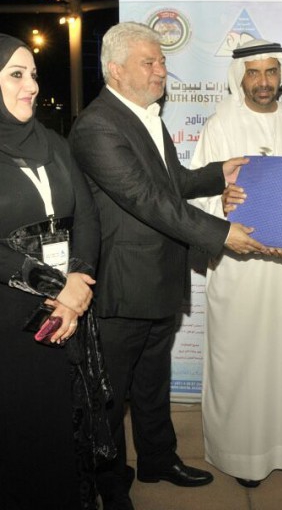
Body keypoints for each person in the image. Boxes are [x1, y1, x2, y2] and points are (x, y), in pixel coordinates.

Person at [69, 22, 268, 510]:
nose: (161, 70)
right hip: (121, 286)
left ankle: (158, 459)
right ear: (115, 70)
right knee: (109, 395)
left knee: (152, 383)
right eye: (149, 62)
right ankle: (109, 482)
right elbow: (146, 199)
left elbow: (171, 182)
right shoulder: (97, 126)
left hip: (160, 276)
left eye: (162, 61)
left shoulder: (148, 117)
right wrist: (221, 233)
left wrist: (219, 172)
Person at [189, 38, 282, 486]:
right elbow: (195, 192)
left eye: (271, 72)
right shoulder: (219, 125)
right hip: (238, 265)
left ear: (281, 75)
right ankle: (238, 454)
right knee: (237, 357)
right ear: (240, 77)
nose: (263, 81)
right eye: (254, 73)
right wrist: (221, 200)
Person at [0, 34, 113, 509]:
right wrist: (57, 287)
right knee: (20, 428)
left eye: (33, 74)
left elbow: (86, 216)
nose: (31, 86)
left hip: (67, 313)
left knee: (63, 423)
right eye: (15, 75)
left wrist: (78, 283)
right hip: (10, 318)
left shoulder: (54, 143)